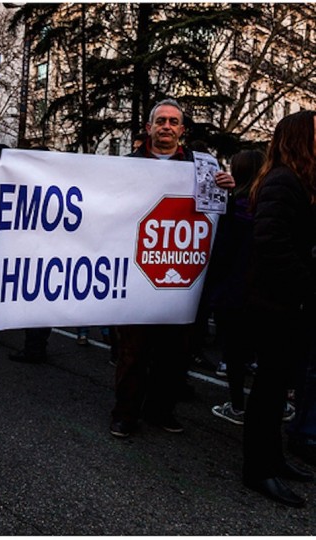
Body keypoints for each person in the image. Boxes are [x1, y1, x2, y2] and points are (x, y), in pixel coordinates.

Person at [109, 99, 235, 439]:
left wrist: (228, 191)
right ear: (149, 128)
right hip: (136, 273)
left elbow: (218, 217)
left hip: (180, 278)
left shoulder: (203, 167)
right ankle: (125, 414)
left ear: (182, 130)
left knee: (173, 353)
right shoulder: (127, 165)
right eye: (160, 121)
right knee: (133, 352)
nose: (166, 126)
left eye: (173, 122)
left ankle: (161, 410)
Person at [242, 110, 316, 508]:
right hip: (275, 305)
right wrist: (307, 283)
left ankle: (273, 460)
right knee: (268, 391)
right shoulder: (282, 181)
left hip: (287, 303)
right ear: (302, 138)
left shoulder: (295, 180)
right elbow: (271, 243)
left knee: (276, 392)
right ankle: (258, 469)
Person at [208, 149, 265, 425]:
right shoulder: (264, 204)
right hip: (261, 291)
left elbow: (221, 251)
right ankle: (266, 406)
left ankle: (238, 405)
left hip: (233, 290)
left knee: (234, 351)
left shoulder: (233, 207)